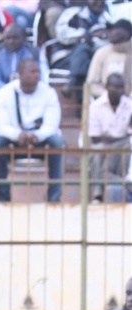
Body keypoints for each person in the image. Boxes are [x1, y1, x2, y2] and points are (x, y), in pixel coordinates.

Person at [0, 57, 66, 203]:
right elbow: (1, 125)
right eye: (32, 72)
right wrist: (17, 135)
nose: (36, 75)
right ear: (20, 73)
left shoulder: (49, 92)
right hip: (14, 140)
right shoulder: (5, 92)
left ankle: (54, 198)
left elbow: (52, 125)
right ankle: (3, 197)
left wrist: (37, 136)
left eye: (38, 71)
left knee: (58, 143)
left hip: (40, 139)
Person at [0, 22, 48, 136]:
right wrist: (12, 90)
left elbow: (43, 78)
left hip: (30, 90)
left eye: (15, 38)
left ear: (23, 38)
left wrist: (24, 89)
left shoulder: (35, 52)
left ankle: (38, 135)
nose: (11, 41)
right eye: (8, 38)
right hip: (3, 92)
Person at [52, 0, 112, 105]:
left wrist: (89, 40)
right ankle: (83, 106)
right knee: (82, 48)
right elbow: (61, 33)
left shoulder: (109, 19)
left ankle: (73, 82)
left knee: (86, 60)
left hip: (91, 61)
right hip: (66, 58)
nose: (99, 2)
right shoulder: (72, 13)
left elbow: (108, 44)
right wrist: (87, 36)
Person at [87, 73, 132, 203]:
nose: (117, 91)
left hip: (124, 145)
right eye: (114, 87)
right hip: (103, 145)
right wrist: (118, 141)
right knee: (97, 151)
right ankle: (97, 195)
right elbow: (94, 137)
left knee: (128, 147)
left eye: (120, 88)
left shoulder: (129, 105)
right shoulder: (95, 107)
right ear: (106, 87)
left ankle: (120, 184)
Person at [85, 19, 132, 99]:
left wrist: (128, 100)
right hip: (106, 104)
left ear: (126, 33)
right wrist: (109, 96)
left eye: (115, 29)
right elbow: (91, 83)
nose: (110, 32)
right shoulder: (102, 53)